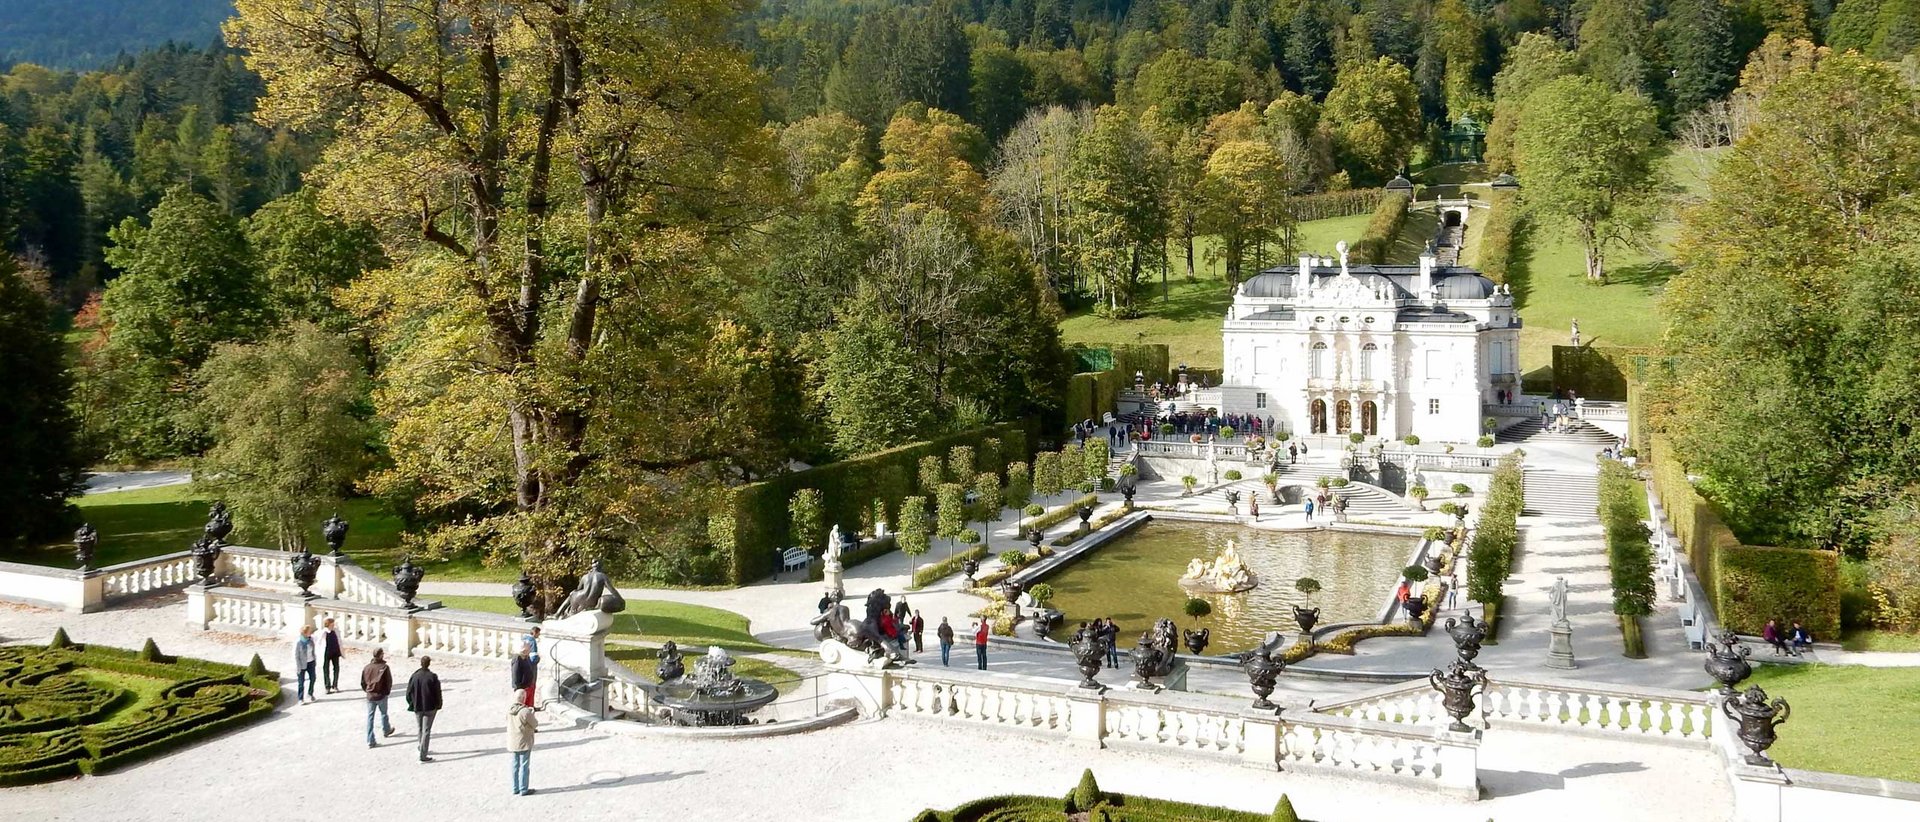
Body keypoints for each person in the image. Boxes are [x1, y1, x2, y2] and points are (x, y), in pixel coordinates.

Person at [406, 656, 443, 763]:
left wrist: (412, 703)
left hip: (418, 706)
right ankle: (423, 754)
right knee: (426, 730)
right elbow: (437, 693)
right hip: (430, 707)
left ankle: (421, 746)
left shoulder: (415, 676)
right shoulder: (432, 677)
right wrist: (438, 705)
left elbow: (408, 693)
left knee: (420, 728)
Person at [507, 698, 541, 796]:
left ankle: (515, 788)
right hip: (524, 741)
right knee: (524, 765)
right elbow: (535, 724)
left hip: (513, 741)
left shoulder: (509, 710)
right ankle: (523, 789)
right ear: (523, 698)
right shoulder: (525, 711)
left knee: (515, 765)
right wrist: (532, 713)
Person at [361, 648, 395, 748]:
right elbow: (389, 682)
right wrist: (386, 692)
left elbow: (363, 682)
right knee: (384, 713)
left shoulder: (367, 667)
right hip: (381, 695)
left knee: (370, 717)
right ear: (380, 655)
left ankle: (370, 740)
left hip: (370, 696)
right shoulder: (384, 667)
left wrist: (367, 691)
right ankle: (386, 730)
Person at [294, 625, 318, 705]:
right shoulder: (298, 642)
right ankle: (300, 698)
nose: (310, 632)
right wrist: (298, 667)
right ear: (305, 633)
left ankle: (310, 694)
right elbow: (296, 656)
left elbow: (313, 651)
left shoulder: (310, 640)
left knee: (313, 678)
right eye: (309, 631)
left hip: (311, 662)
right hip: (302, 664)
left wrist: (315, 660)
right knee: (301, 682)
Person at [320, 618, 343, 693]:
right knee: (326, 669)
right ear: (328, 625)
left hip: (335, 652)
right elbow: (319, 642)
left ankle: (335, 685)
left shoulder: (336, 631)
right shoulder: (324, 632)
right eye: (332, 624)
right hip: (326, 652)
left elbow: (339, 641)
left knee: (336, 668)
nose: (333, 625)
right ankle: (327, 686)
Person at [511, 642, 538, 707]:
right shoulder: (517, 659)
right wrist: (518, 688)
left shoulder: (526, 657)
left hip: (528, 685)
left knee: (529, 705)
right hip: (522, 688)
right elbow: (515, 675)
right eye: (528, 649)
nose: (529, 650)